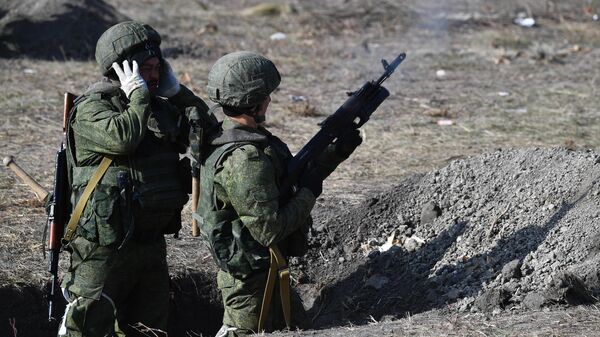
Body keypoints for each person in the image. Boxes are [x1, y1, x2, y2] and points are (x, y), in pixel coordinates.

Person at [58, 21, 216, 336]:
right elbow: (123, 138)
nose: (155, 76)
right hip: (102, 251)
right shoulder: (92, 108)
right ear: (122, 71)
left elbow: (208, 136)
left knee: (151, 327)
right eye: (146, 68)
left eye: (159, 67)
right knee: (87, 327)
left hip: (150, 244)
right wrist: (139, 98)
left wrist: (179, 94)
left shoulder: (159, 108)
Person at [196, 51, 362, 336]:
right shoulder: (246, 159)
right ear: (253, 100)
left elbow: (293, 177)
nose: (271, 100)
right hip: (251, 286)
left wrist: (337, 151)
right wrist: (309, 192)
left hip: (269, 272)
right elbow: (269, 229)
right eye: (267, 95)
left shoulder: (244, 139)